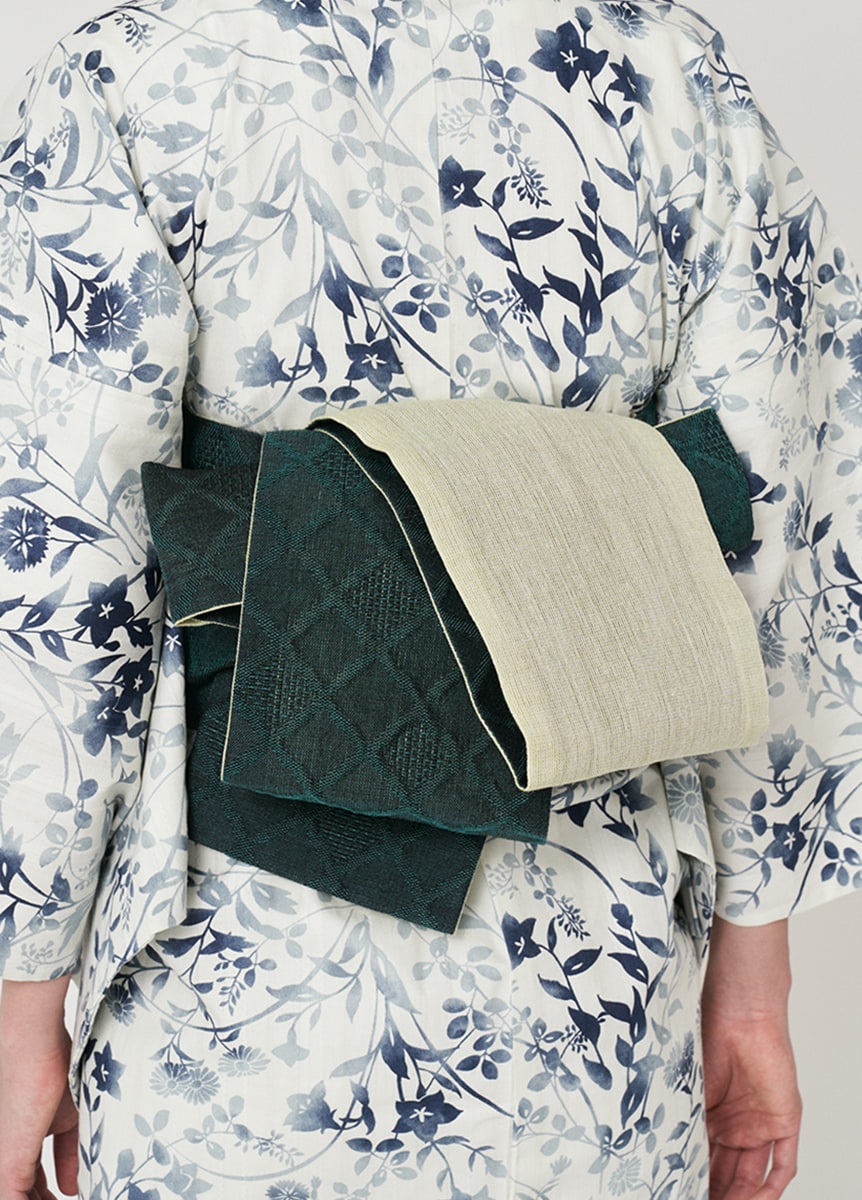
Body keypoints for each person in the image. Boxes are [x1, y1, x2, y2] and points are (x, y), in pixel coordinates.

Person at [0, 0, 859, 1196]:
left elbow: (61, 570)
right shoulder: (666, 66)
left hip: (238, 987)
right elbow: (772, 536)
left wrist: (22, 999)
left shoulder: (131, 76)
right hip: (596, 983)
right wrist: (754, 990)